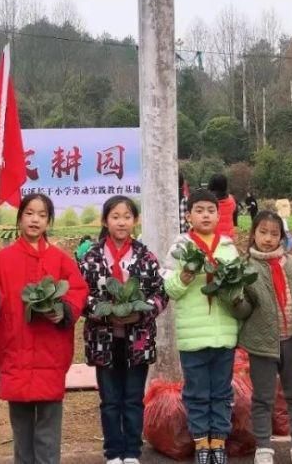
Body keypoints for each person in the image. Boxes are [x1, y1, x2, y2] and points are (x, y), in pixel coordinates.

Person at [0, 194, 88, 464]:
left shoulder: (60, 259)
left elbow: (78, 291)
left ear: (49, 221)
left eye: (41, 215)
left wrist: (61, 312)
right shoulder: (3, 259)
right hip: (16, 352)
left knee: (49, 431)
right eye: (29, 213)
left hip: (50, 353)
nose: (34, 219)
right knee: (22, 430)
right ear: (19, 218)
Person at [80, 196, 168, 464]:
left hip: (138, 341)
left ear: (135, 220)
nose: (121, 222)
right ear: (105, 221)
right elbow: (80, 296)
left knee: (132, 399)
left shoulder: (146, 256)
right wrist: (104, 310)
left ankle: (131, 452)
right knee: (109, 401)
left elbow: (161, 293)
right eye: (115, 216)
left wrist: (141, 311)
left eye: (127, 216)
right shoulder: (91, 258)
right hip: (102, 341)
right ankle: (113, 453)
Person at [233, 211, 292, 464]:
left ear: (282, 236)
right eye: (263, 232)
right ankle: (263, 447)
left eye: (274, 234)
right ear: (253, 234)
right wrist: (235, 297)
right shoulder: (246, 268)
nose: (268, 238)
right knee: (263, 397)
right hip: (262, 344)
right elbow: (244, 311)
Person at [164, 189, 241, 464]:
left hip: (225, 333)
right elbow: (170, 289)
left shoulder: (228, 247)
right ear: (189, 216)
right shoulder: (180, 247)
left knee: (221, 392)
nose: (205, 215)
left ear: (219, 215)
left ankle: (218, 442)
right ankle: (201, 444)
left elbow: (239, 287)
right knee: (196, 393)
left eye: (210, 210)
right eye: (199, 210)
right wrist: (184, 276)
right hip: (192, 336)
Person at [208, 173, 237, 239]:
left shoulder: (207, 200)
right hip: (228, 237)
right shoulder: (231, 199)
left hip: (212, 237)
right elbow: (234, 211)